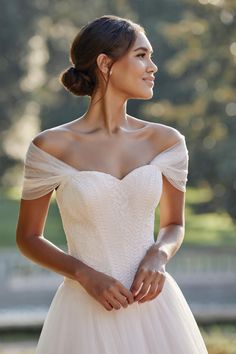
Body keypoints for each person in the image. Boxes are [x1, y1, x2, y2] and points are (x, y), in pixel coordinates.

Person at [16, 14, 208, 354]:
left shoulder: (166, 142)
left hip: (155, 308)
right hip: (85, 311)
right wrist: (84, 274)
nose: (153, 67)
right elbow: (29, 237)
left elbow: (174, 224)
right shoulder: (50, 147)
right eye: (141, 55)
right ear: (106, 63)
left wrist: (158, 255)